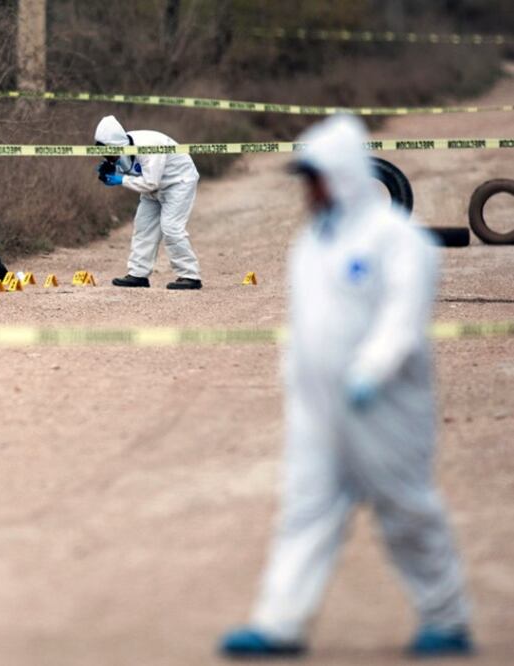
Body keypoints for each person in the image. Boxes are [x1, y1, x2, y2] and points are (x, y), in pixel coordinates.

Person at [219, 116, 472, 659]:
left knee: (406, 511)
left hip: (384, 404)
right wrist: (295, 381)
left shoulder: (398, 241)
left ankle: (446, 618)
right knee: (305, 511)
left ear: (346, 175)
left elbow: (403, 321)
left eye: (317, 177)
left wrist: (369, 373)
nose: (309, 191)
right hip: (319, 410)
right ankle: (280, 623)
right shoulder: (311, 243)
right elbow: (306, 323)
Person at [94, 115, 202, 290]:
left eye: (110, 154)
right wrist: (111, 169)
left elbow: (151, 181)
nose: (109, 156)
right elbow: (134, 172)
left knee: (171, 227)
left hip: (178, 182)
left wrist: (120, 179)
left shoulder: (149, 146)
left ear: (117, 146)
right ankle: (138, 275)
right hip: (153, 190)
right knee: (143, 226)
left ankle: (190, 275)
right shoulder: (121, 147)